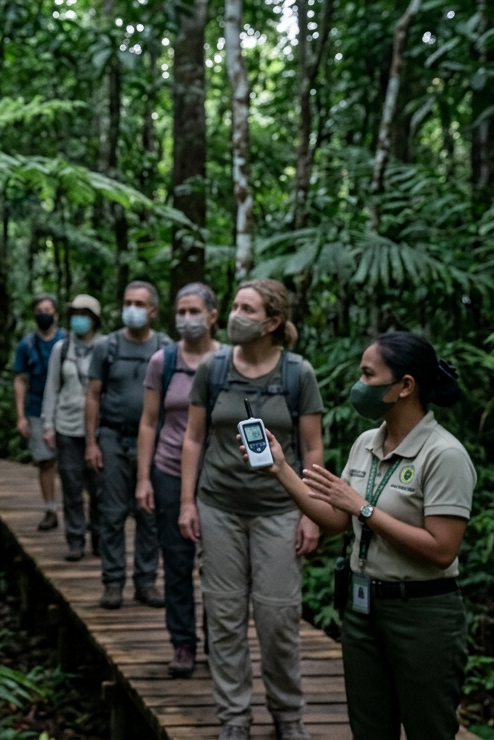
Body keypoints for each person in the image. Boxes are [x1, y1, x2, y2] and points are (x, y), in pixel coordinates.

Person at [252, 332, 473, 740]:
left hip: (422, 615)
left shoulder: (444, 455)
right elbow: (337, 522)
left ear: (404, 386)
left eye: (368, 374)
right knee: (369, 729)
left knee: (430, 729)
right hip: (363, 609)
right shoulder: (366, 443)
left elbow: (442, 550)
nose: (359, 384)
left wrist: (363, 508)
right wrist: (281, 469)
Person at [178, 278, 323, 740]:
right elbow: (194, 438)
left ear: (272, 323)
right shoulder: (214, 369)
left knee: (278, 616)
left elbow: (312, 447)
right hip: (218, 505)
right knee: (223, 617)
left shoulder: (298, 374)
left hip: (280, 509)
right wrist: (187, 502)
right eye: (235, 304)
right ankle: (234, 718)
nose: (235, 314)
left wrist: (310, 511)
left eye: (247, 308)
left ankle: (288, 716)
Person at [135, 283, 221, 678]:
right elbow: (150, 421)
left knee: (221, 565)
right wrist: (144, 478)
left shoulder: (229, 362)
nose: (186, 319)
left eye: (193, 311)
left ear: (212, 316)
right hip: (169, 471)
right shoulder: (162, 361)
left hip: (220, 477)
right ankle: (183, 644)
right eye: (180, 311)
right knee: (177, 561)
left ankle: (217, 642)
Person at [85, 281, 170, 610]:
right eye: (127, 301)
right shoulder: (106, 346)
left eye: (139, 303)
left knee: (149, 512)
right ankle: (113, 581)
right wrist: (91, 442)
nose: (131, 308)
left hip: (154, 440)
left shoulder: (164, 348)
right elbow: (93, 396)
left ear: (152, 311)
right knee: (112, 512)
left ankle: (146, 581)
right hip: (112, 437)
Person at [41, 294, 104, 562]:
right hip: (67, 427)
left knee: (100, 487)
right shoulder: (61, 348)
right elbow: (52, 387)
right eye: (75, 312)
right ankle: (75, 539)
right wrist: (48, 424)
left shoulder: (106, 346)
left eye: (84, 313)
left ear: (94, 318)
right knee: (71, 485)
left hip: (100, 430)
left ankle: (100, 539)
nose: (79, 318)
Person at [14, 293, 66, 530]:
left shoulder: (67, 341)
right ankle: (50, 510)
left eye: (47, 310)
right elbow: (20, 379)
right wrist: (21, 416)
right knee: (45, 461)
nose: (43, 314)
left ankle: (78, 513)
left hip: (65, 410)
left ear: (55, 313)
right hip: (36, 409)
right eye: (39, 311)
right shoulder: (27, 345)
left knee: (72, 464)